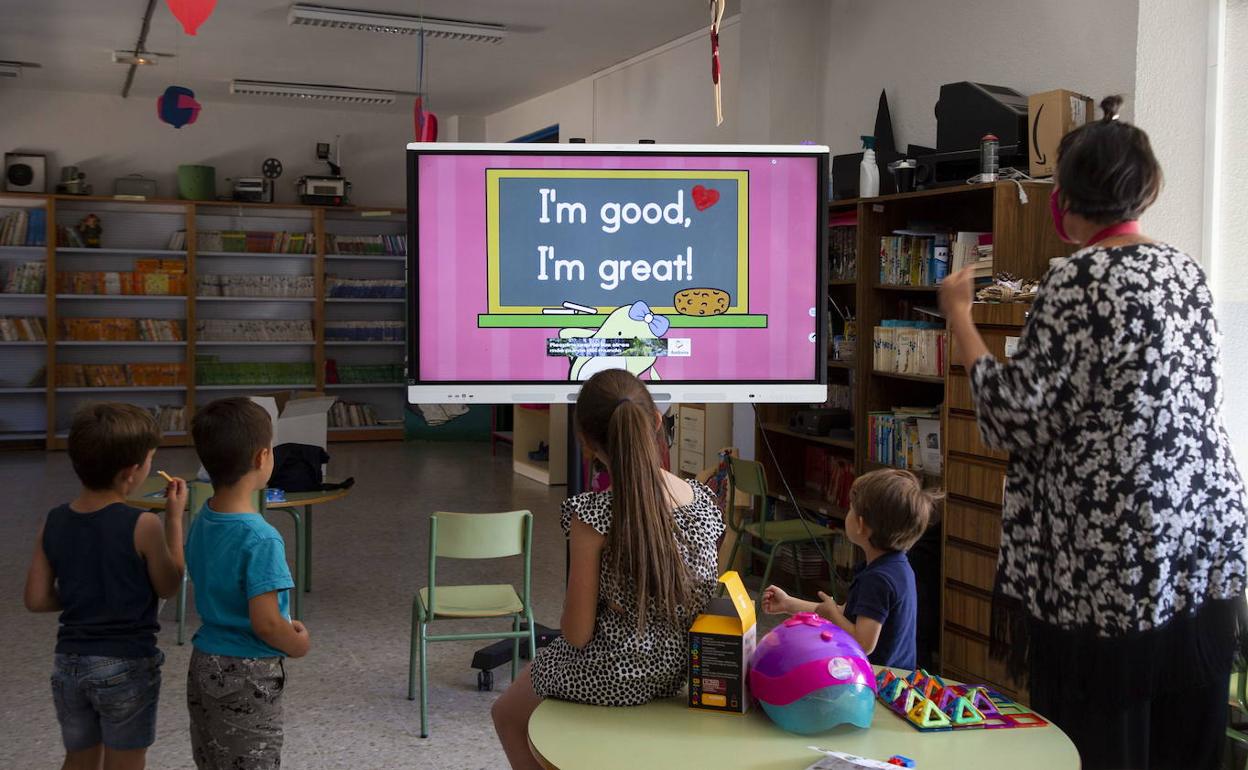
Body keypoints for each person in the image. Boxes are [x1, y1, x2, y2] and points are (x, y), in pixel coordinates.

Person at [939, 95, 1247, 770]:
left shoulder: (1075, 279)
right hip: (1196, 547)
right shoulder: (1188, 273)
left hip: (1108, 561)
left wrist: (961, 318)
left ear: (1065, 202)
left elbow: (1011, 417)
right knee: (1180, 738)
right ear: (1147, 190)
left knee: (1103, 742)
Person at [491, 369, 725, 769]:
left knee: (507, 715)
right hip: (683, 670)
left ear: (586, 442)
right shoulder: (703, 501)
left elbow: (578, 635)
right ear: (655, 421)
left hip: (611, 675)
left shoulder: (593, 515)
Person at [23, 403, 188, 770]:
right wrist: (175, 521)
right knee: (125, 762)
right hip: (126, 664)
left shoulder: (53, 521)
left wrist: (86, 593)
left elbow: (36, 599)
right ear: (132, 473)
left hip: (70, 664)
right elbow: (169, 585)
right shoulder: (144, 524)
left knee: (78, 759)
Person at [185, 397, 311, 770]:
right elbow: (267, 621)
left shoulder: (202, 519)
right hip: (247, 672)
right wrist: (297, 643)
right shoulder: (261, 536)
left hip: (204, 662)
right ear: (261, 458)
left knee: (212, 758)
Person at [762, 469, 935, 670]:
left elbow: (863, 643)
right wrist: (788, 603)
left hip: (876, 682)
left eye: (851, 508)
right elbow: (847, 612)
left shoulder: (878, 579)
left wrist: (831, 616)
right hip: (893, 676)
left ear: (861, 525)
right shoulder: (897, 566)